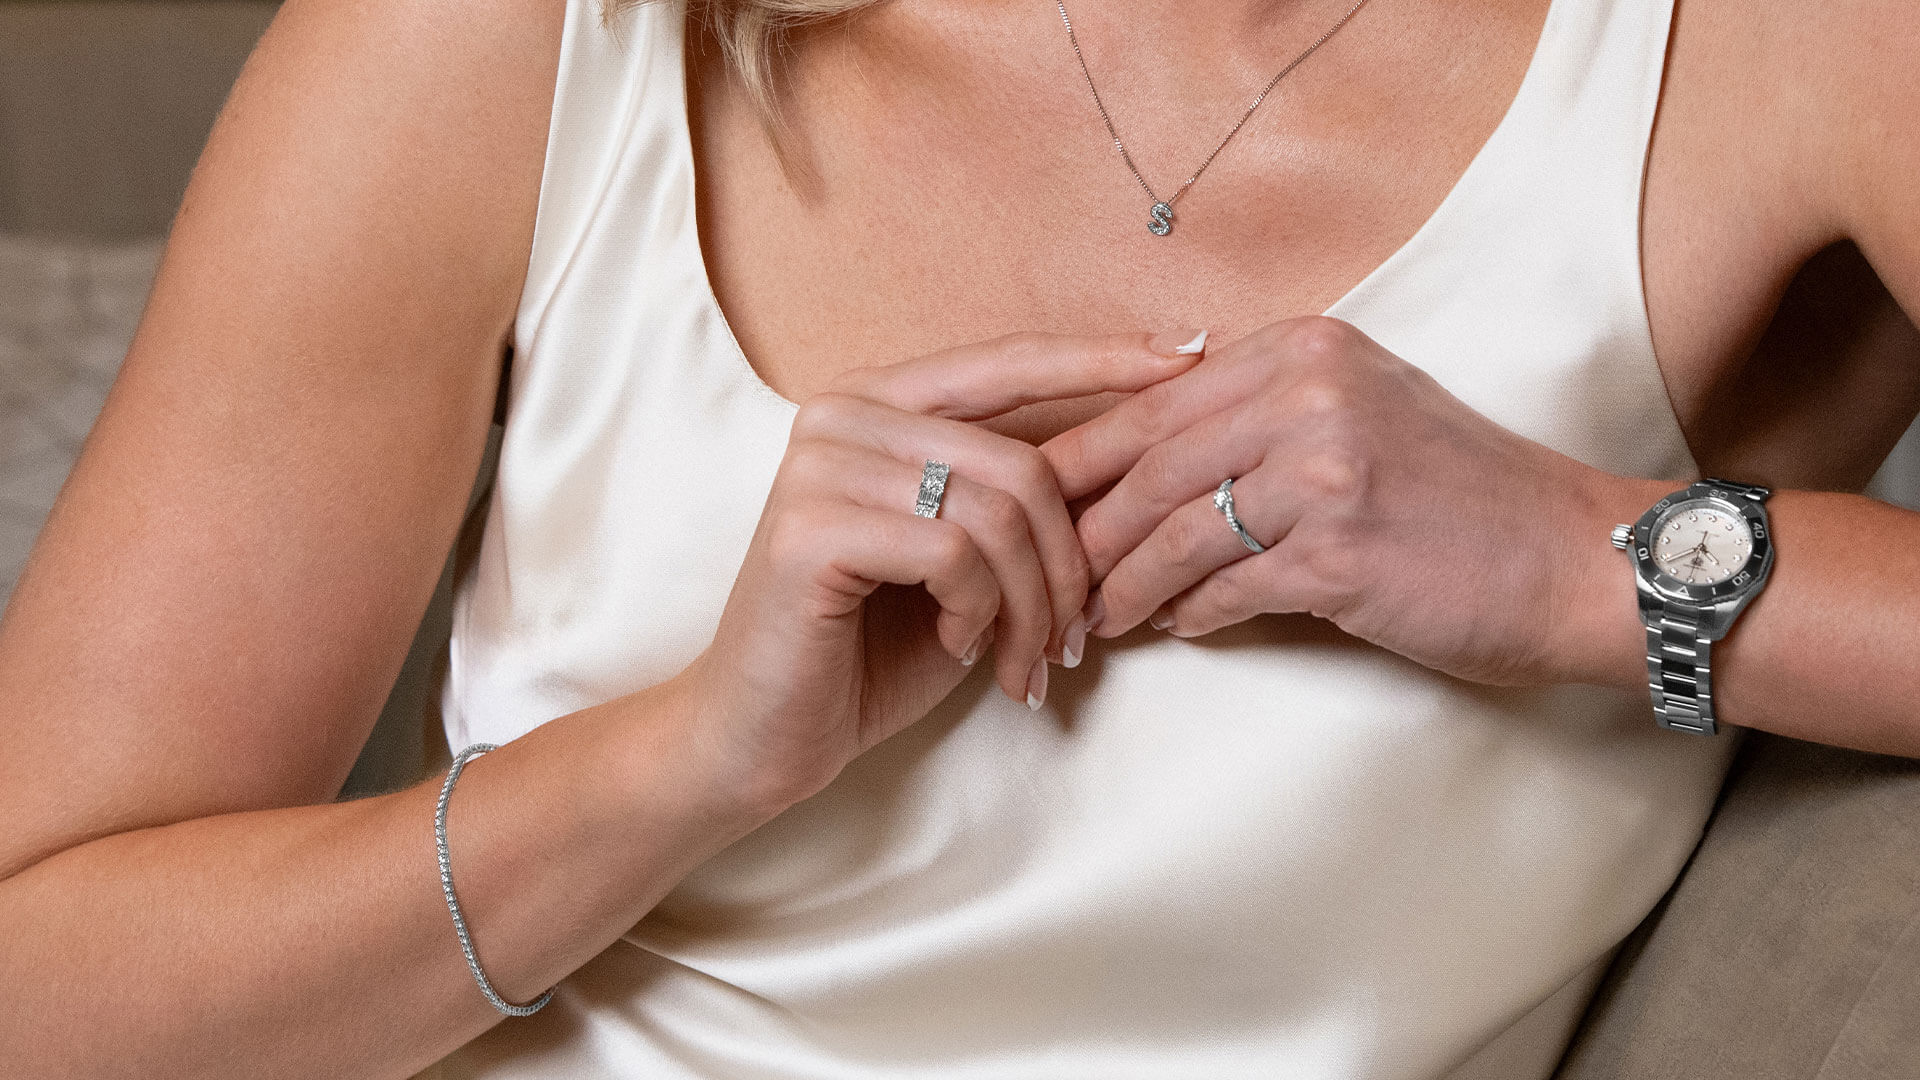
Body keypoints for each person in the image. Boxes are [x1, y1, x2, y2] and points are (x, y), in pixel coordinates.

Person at [1, 0, 1915, 1075]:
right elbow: (44, 986)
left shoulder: (1777, 46)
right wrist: (677, 773)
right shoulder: (511, 39)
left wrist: (1590, 561)